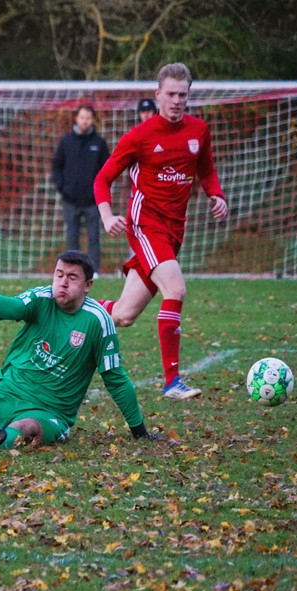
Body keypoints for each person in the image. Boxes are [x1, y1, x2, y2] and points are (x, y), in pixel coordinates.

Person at [0, 250, 158, 452]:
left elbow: (116, 379)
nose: (63, 282)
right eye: (59, 274)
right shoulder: (42, 298)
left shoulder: (98, 321)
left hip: (48, 411)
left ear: (88, 285)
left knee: (27, 427)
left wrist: (139, 431)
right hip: (6, 393)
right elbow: (13, 306)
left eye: (72, 277)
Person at [94, 63, 228, 400]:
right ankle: (172, 382)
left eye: (183, 94)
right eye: (171, 94)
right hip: (145, 225)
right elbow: (102, 179)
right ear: (158, 95)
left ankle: (75, 306)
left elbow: (206, 170)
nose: (177, 100)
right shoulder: (139, 136)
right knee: (176, 289)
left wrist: (217, 195)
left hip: (173, 232)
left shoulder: (199, 131)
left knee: (123, 315)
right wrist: (107, 216)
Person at [51, 105, 110, 275]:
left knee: (94, 237)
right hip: (70, 199)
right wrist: (62, 187)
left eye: (88, 118)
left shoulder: (99, 143)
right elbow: (56, 165)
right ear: (76, 118)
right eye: (82, 117)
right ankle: (72, 271)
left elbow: (107, 170)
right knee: (72, 238)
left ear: (92, 120)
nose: (85, 121)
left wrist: (100, 191)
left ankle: (94, 271)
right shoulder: (66, 141)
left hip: (92, 200)